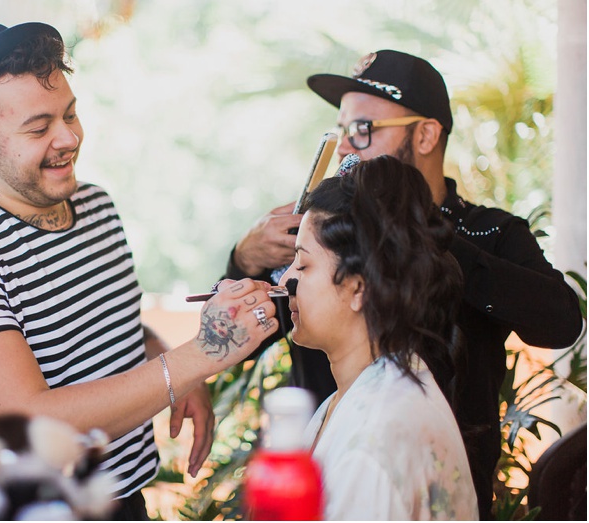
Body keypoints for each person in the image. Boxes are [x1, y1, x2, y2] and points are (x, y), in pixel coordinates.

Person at [0, 21, 279, 520]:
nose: (68, 138)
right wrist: (199, 358)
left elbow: (113, 324)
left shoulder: (95, 205)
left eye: (70, 114)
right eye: (39, 128)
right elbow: (33, 422)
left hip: (122, 496)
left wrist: (173, 366)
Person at [227, 49, 583, 519]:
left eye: (363, 129)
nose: (346, 148)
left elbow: (561, 322)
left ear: (426, 134)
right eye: (341, 131)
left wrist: (418, 231)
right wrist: (243, 260)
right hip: (325, 469)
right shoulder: (326, 231)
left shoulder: (489, 233)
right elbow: (240, 339)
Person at [281, 155, 478, 520]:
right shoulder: (360, 395)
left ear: (359, 288)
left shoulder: (372, 444)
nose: (284, 280)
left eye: (303, 264)